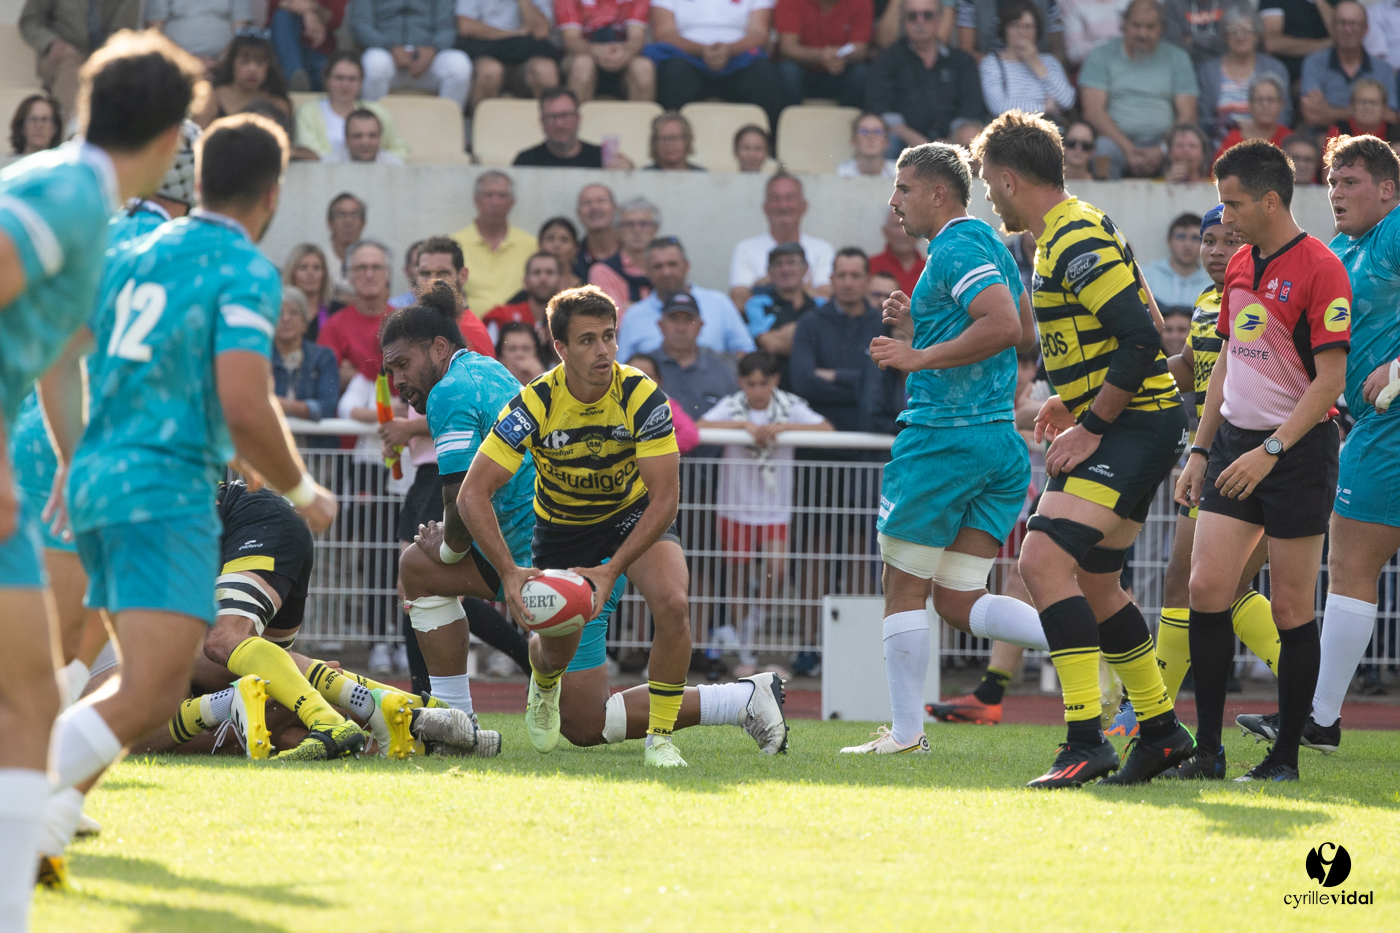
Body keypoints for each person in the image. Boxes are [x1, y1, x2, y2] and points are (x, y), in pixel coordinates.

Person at [41, 115, 342, 895]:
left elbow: (59, 349)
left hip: (102, 480)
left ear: (195, 178)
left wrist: (76, 460)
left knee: (100, 664)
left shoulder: (138, 250)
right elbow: (244, 402)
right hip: (163, 490)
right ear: (272, 194)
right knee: (153, 685)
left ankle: (49, 811)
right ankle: (25, 796)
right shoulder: (241, 268)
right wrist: (302, 489)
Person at [0, 32, 202, 911]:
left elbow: (55, 356)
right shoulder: (70, 193)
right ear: (169, 139)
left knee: (33, 700)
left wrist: (77, 464)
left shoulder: (89, 209)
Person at [462, 285, 790, 767]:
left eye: (609, 337)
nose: (603, 351)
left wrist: (613, 567)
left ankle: (661, 737)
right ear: (560, 348)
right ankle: (545, 677)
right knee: (579, 721)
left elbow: (666, 499)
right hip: (564, 533)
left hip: (634, 517)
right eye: (588, 340)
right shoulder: (534, 403)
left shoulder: (641, 394)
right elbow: (472, 492)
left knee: (674, 603)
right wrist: (510, 571)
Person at [971, 109, 1196, 787]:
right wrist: (1072, 397)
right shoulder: (1071, 230)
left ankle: (1085, 739)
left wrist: (1092, 423)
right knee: (1095, 582)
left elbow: (1143, 340)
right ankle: (1159, 731)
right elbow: (1146, 322)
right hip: (1133, 420)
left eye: (987, 181)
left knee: (1042, 561)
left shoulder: (1073, 237)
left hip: (1133, 425)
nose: (988, 194)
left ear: (1010, 178)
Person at [840, 142, 1045, 755]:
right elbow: (1015, 325)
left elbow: (1004, 326)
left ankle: (906, 736)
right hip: (996, 442)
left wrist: (918, 353)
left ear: (938, 193)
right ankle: (1092, 642)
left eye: (903, 188)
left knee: (904, 590)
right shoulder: (988, 245)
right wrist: (919, 328)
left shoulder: (956, 246)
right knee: (958, 599)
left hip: (942, 441)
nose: (893, 200)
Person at [1172, 140, 1351, 783]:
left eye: (1233, 202)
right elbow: (1227, 361)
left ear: (1270, 200)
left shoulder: (1321, 268)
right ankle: (1210, 753)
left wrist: (1272, 451)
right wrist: (1199, 448)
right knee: (1206, 590)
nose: (1223, 217)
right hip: (1233, 447)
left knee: (1290, 608)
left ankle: (1285, 760)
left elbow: (1330, 380)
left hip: (1297, 452)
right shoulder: (1242, 263)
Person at [1235, 135, 1400, 759]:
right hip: (1368, 425)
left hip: (1391, 424)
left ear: (1387, 188)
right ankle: (1314, 714)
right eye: (1331, 181)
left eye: (1351, 181)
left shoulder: (1394, 231)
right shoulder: (1338, 250)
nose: (1336, 193)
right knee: (1347, 568)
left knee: (1352, 568)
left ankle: (1317, 718)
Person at [1124, 206, 1276, 765]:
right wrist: (1119, 388)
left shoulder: (1259, 297)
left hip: (1252, 460)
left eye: (1227, 239)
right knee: (1205, 586)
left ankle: (1148, 711)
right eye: (1208, 241)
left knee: (1204, 586)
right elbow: (1192, 367)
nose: (1214, 249)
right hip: (1216, 459)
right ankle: (1312, 701)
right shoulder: (1213, 302)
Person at [699, 352, 832, 674]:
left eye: (763, 382)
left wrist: (783, 427)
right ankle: (746, 656)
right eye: (751, 383)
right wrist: (742, 425)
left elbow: (826, 429)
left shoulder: (789, 405)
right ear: (741, 382)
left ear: (775, 380)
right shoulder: (732, 405)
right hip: (734, 506)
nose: (757, 390)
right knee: (739, 577)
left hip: (775, 509)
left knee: (778, 570)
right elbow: (700, 425)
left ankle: (750, 627)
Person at [1080, 0, 1200, 180]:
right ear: (1124, 25)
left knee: (1187, 151)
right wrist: (1129, 149)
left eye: (1150, 27)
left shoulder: (1178, 58)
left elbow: (1188, 114)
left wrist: (1162, 149)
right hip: (1116, 142)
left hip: (1165, 142)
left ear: (1162, 28)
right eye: (1136, 25)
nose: (1143, 33)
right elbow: (1093, 112)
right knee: (1102, 150)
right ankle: (1103, 207)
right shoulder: (1101, 55)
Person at [649, 0, 787, 132]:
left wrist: (730, 50)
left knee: (763, 73)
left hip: (740, 59)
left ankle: (766, 144)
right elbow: (664, 33)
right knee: (675, 72)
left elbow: (759, 34)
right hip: (685, 57)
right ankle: (670, 140)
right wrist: (702, 50)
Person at [866, 0, 985, 152]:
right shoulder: (887, 59)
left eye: (927, 15)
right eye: (912, 16)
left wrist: (949, 140)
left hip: (952, 141)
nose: (920, 21)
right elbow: (879, 107)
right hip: (903, 140)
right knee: (883, 138)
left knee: (972, 136)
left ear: (939, 19)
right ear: (903, 20)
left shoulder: (961, 61)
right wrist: (914, 139)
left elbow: (971, 109)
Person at [789, 248, 886, 433]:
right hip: (819, 439)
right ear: (831, 279)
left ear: (868, 280)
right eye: (841, 275)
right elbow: (803, 382)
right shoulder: (809, 324)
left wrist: (834, 375)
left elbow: (887, 385)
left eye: (855, 276)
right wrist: (861, 386)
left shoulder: (883, 326)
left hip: (870, 437)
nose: (848, 283)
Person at [618, 237, 756, 360]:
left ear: (686, 266)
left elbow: (746, 350)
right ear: (647, 271)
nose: (666, 272)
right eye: (658, 266)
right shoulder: (634, 315)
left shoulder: (718, 303)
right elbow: (622, 368)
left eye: (672, 264)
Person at [19, 0, 142, 129]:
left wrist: (101, 58)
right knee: (69, 67)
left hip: (107, 55)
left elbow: (123, 31)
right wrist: (51, 42)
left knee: (128, 73)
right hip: (64, 53)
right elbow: (29, 21)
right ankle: (76, 131)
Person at [729, 173, 836, 308]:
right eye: (775, 199)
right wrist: (801, 286)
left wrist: (767, 284)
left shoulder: (823, 249)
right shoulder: (746, 249)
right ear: (765, 207)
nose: (782, 205)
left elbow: (826, 298)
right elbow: (739, 301)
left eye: (790, 198)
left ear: (804, 206)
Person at [1196, 6, 1292, 148]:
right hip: (1221, 146)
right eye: (1233, 31)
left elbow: (1284, 114)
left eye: (1247, 30)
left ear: (1257, 35)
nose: (1240, 36)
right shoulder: (1208, 71)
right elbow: (1204, 119)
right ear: (1224, 36)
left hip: (1268, 145)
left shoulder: (1275, 68)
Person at [355, 0, 474, 110]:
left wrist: (433, 49)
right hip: (386, 55)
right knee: (374, 64)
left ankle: (446, 129)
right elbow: (360, 25)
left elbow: (447, 27)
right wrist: (389, 47)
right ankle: (369, 128)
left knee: (459, 66)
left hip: (429, 57)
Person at [449, 170, 538, 315]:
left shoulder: (531, 244)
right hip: (468, 328)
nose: (495, 202)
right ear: (476, 200)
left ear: (512, 202)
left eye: (502, 196)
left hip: (517, 330)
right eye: (488, 195)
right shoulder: (454, 244)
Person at [295, 52, 410, 160]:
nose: (345, 85)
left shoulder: (378, 112)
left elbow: (400, 149)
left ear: (361, 82)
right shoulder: (307, 113)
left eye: (352, 79)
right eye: (339, 78)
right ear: (327, 80)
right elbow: (310, 153)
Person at [1300, 2, 1396, 130]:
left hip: (1372, 141)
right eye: (1342, 23)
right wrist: (1368, 111)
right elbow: (1311, 115)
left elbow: (1391, 117)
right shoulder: (1314, 62)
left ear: (1365, 29)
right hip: (1324, 141)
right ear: (1333, 27)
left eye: (1354, 24)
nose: (1348, 30)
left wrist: (1329, 111)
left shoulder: (1384, 69)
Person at [455, 0, 561, 111]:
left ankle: (549, 125)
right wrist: (512, 34)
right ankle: (479, 126)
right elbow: (466, 27)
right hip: (485, 53)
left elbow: (541, 32)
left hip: (524, 60)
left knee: (545, 71)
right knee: (490, 71)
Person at [976, 1, 1075, 118]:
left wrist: (1036, 64)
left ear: (1037, 30)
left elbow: (1068, 100)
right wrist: (1044, 109)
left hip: (1049, 129)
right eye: (1015, 26)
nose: (1022, 32)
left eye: (1028, 27)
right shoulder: (991, 63)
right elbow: (999, 106)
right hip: (1012, 131)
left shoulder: (1049, 61)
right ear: (1005, 29)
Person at [653, 291, 742, 422]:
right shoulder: (642, 367)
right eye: (673, 319)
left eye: (689, 320)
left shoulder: (724, 369)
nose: (681, 328)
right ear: (661, 325)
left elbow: (739, 415)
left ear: (701, 326)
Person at [319, 239, 394, 390]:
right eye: (361, 268)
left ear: (388, 274)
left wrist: (356, 377)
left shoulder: (406, 322)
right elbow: (324, 382)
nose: (369, 274)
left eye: (377, 267)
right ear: (348, 275)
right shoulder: (334, 326)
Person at [744, 243, 820, 390]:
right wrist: (810, 337)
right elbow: (769, 343)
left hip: (817, 391)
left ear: (805, 269)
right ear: (769, 271)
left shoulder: (821, 305)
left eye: (791, 262)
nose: (785, 270)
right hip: (775, 391)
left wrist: (786, 334)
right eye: (778, 264)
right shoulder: (756, 304)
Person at [272, 286, 341, 445]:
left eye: (294, 312)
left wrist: (282, 405)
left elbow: (327, 407)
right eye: (279, 313)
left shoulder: (324, 357)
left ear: (305, 321)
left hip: (315, 454)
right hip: (268, 449)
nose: (286, 318)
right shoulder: (261, 358)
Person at [773, 0, 873, 109]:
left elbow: (860, 48)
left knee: (861, 72)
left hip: (840, 71)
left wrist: (838, 56)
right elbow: (788, 47)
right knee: (787, 71)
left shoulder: (862, 2)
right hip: (804, 72)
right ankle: (790, 121)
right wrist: (821, 55)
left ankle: (851, 122)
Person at [412, 235, 497, 356]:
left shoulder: (472, 333)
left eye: (442, 273)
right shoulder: (413, 326)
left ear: (462, 276)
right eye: (425, 273)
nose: (432, 281)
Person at [556, 0, 656, 102]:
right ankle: (572, 116)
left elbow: (636, 38)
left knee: (643, 67)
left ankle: (639, 118)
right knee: (583, 64)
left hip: (622, 55)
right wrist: (594, 50)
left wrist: (625, 52)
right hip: (582, 55)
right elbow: (571, 39)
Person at [190, 34, 292, 128]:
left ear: (268, 68)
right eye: (245, 61)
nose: (252, 69)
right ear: (232, 64)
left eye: (260, 62)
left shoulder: (279, 105)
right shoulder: (212, 99)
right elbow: (197, 139)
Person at [513, 87, 631, 168]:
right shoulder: (526, 161)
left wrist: (628, 172)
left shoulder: (602, 159)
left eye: (566, 116)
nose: (559, 124)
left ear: (578, 118)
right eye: (551, 117)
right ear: (542, 122)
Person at [485, 251, 563, 354]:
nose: (543, 279)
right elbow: (488, 358)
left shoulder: (569, 320)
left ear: (560, 281)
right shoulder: (503, 317)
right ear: (525, 282)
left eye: (549, 273)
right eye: (536, 272)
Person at [1212, 73, 1291, 162]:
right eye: (1259, 100)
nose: (1265, 105)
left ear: (1281, 104)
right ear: (1250, 105)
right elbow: (1216, 174)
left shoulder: (1289, 139)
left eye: (1271, 100)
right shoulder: (1233, 140)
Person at [268, 0, 345, 91]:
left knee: (331, 79)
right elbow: (275, 4)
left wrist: (311, 8)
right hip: (282, 48)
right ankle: (294, 77)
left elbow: (335, 19)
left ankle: (297, 81)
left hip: (317, 48)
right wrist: (307, 12)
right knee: (283, 16)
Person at [145, 0, 250, 66]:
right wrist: (186, 63)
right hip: (174, 64)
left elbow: (240, 31)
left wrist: (220, 61)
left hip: (222, 64)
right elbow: (155, 32)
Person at [1142, 212, 1211, 312]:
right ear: (1169, 241)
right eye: (1181, 237)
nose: (1188, 245)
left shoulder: (1211, 289)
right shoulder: (1146, 279)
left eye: (1195, 238)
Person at [957, 0, 1064, 61]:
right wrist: (1005, 66)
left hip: (1038, 69)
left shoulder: (1047, 2)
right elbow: (967, 53)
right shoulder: (971, 2)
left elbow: (1056, 51)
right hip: (990, 74)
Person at [1261, 0, 1336, 84]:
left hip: (1330, 75)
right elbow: (1271, 43)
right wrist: (1325, 44)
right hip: (1289, 77)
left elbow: (1340, 35)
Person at [868, 207, 927, 297]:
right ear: (885, 231)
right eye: (897, 225)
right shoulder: (870, 267)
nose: (903, 233)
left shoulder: (932, 270)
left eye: (908, 226)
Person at [1325, 78, 1400, 143]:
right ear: (1352, 106)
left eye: (1373, 103)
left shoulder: (1397, 134)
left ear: (1384, 108)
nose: (1367, 107)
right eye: (1362, 102)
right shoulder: (1338, 132)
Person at [283, 243, 333, 339]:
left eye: (316, 268)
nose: (310, 273)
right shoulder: (278, 311)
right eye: (303, 267)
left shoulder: (336, 311)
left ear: (324, 275)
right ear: (292, 273)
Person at [321, 109, 406, 164]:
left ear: (380, 138)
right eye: (357, 136)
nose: (365, 142)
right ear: (346, 139)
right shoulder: (328, 165)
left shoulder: (394, 166)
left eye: (372, 136)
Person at [1060, 0, 1126, 67]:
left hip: (1131, 63)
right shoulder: (1072, 3)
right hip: (1094, 68)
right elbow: (1073, 52)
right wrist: (1111, 47)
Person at [836, 112, 898, 179]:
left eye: (878, 132)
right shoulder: (843, 172)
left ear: (886, 142)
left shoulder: (898, 173)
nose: (871, 137)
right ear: (854, 141)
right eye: (863, 131)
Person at [8, 94, 63, 161]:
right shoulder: (7, 167)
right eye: (33, 119)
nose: (39, 125)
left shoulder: (63, 167)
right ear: (22, 127)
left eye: (45, 119)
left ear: (54, 128)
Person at [538, 215, 585, 289]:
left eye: (564, 240)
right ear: (539, 246)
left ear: (575, 249)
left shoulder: (586, 294)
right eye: (550, 239)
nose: (557, 245)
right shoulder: (528, 295)